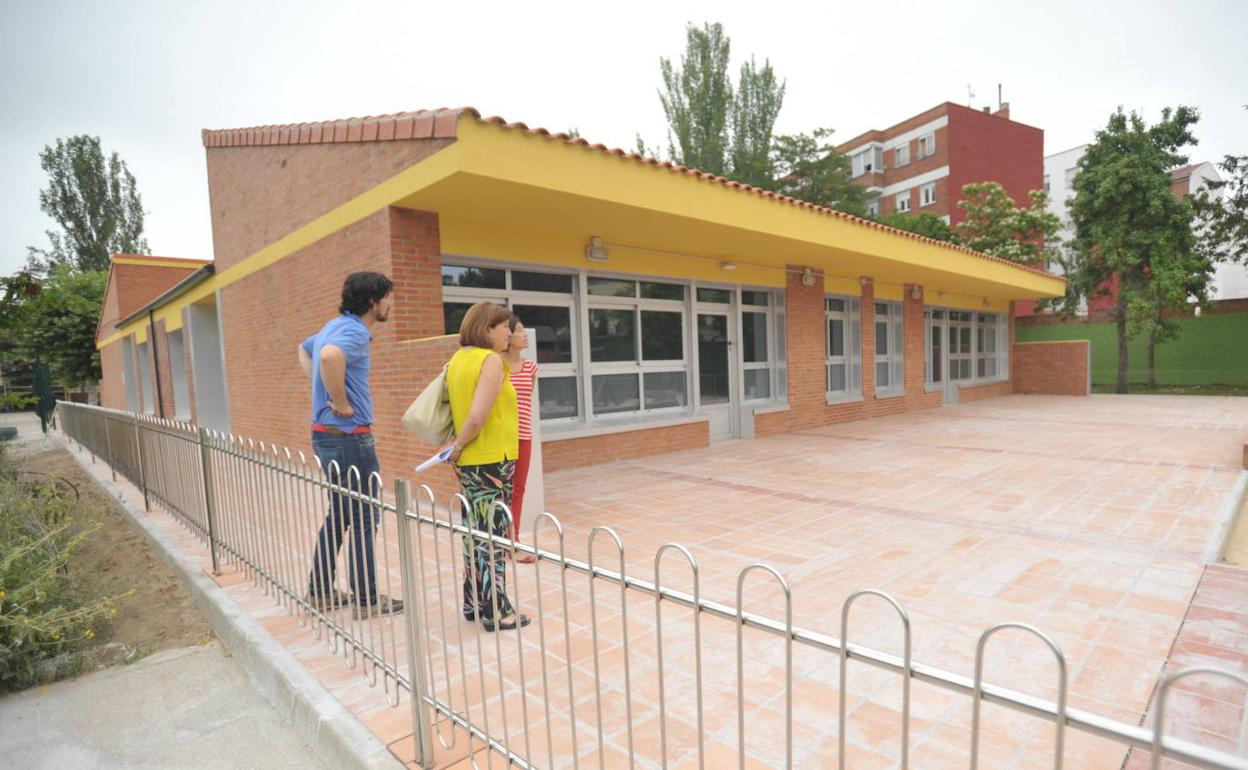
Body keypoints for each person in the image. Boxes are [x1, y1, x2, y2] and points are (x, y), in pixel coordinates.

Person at [298, 271, 403, 619]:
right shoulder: (356, 331)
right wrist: (338, 399)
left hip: (325, 434)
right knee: (362, 517)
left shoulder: (333, 325)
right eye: (387, 298)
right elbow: (328, 358)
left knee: (340, 515)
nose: (391, 304)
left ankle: (321, 592)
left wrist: (320, 387)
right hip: (348, 436)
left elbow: (306, 348)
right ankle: (367, 600)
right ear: (372, 301)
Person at [444, 302, 530, 631]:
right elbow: (478, 415)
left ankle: (473, 602)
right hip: (491, 460)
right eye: (503, 326)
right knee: (492, 538)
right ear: (486, 330)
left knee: (475, 533)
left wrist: (458, 448)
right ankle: (496, 610)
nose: (509, 332)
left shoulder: (458, 360)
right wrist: (459, 445)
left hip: (472, 462)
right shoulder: (490, 360)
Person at [502, 313, 538, 564]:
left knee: (518, 490)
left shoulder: (531, 367)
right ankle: (499, 541)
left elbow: (525, 402)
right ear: (508, 336)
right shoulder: (496, 365)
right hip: (501, 436)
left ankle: (513, 542)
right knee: (499, 490)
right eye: (521, 330)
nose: (525, 334)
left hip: (524, 436)